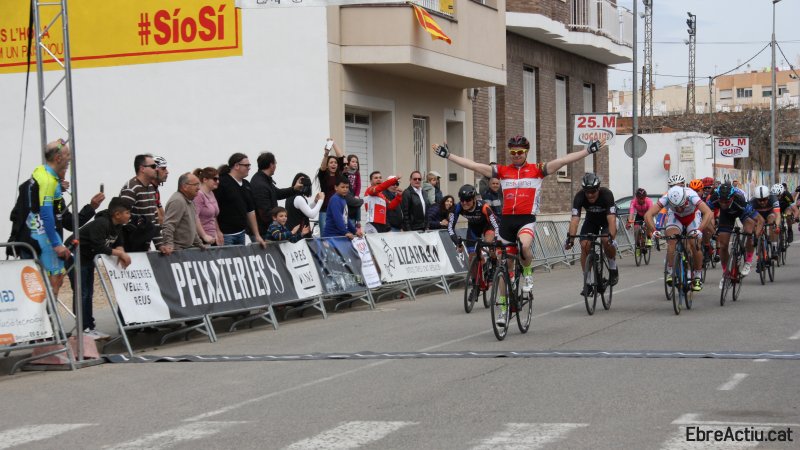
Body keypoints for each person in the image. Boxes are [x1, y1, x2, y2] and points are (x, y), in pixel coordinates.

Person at [433, 135, 603, 302]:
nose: (516, 155)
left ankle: (528, 274)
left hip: (526, 219)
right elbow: (474, 165)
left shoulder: (537, 169)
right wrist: (449, 155)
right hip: (507, 220)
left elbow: (563, 161)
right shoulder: (503, 171)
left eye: (520, 152)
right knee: (504, 264)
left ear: (526, 152)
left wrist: (588, 150)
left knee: (524, 246)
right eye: (513, 152)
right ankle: (504, 306)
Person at [72, 197, 131, 339]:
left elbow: (119, 242)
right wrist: (120, 254)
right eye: (128, 213)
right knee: (82, 293)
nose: (130, 216)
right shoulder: (101, 223)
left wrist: (121, 252)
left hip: (88, 259)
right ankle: (83, 328)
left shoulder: (117, 226)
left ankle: (89, 327)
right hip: (75, 256)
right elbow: (99, 246)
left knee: (88, 293)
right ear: (117, 214)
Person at [25, 139, 73, 295]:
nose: (70, 158)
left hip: (36, 230)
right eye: (67, 154)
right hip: (42, 234)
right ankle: (50, 311)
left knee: (54, 280)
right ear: (58, 158)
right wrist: (56, 244)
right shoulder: (48, 181)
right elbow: (46, 214)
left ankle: (48, 310)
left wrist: (58, 187)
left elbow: (54, 208)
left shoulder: (42, 171)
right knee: (55, 280)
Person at [646, 185, 713, 291]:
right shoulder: (666, 198)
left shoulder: (692, 196)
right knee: (671, 241)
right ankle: (670, 271)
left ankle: (697, 275)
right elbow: (648, 215)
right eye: (676, 206)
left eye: (681, 206)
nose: (679, 209)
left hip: (692, 216)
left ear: (685, 199)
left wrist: (700, 230)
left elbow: (708, 212)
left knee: (694, 244)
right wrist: (654, 231)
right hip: (675, 217)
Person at [566, 173, 619, 293]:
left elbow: (611, 219)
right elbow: (575, 219)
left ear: (598, 189)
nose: (590, 195)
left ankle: (613, 267)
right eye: (587, 192)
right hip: (591, 221)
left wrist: (612, 238)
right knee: (584, 244)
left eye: (593, 191)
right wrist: (570, 239)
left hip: (607, 220)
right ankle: (588, 282)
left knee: (606, 240)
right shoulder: (579, 196)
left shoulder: (607, 194)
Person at [704, 182, 761, 287]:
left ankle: (748, 261)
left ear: (732, 197)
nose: (723, 204)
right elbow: (704, 215)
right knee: (723, 246)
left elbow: (760, 220)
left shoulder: (740, 200)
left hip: (741, 212)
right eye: (721, 201)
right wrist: (714, 232)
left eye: (726, 201)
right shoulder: (714, 198)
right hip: (726, 215)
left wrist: (756, 236)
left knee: (749, 231)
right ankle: (726, 273)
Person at [251, 152, 304, 239]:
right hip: (264, 232)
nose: (276, 166)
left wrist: (294, 189)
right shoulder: (260, 184)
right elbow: (265, 213)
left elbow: (277, 193)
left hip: (268, 229)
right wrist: (279, 222)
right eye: (275, 163)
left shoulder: (264, 180)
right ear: (271, 165)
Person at [215, 153, 264, 246]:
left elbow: (250, 211)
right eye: (246, 165)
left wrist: (257, 235)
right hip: (225, 235)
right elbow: (213, 210)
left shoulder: (246, 184)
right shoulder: (222, 183)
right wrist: (217, 231)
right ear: (236, 166)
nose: (249, 168)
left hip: (241, 233)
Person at [447, 184, 500, 264]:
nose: (464, 203)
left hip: (488, 226)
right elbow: (450, 227)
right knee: (472, 256)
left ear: (474, 199)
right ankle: (479, 270)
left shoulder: (483, 206)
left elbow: (495, 225)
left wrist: (495, 240)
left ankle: (495, 264)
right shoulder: (458, 207)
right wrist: (457, 242)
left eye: (468, 200)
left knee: (489, 243)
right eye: (462, 200)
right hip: (473, 228)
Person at [119, 154, 161, 251]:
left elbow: (154, 218)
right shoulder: (131, 188)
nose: (156, 169)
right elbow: (121, 218)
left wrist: (159, 244)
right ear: (142, 169)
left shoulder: (151, 187)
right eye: (153, 166)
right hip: (129, 246)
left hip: (143, 245)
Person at [160, 173, 206, 255]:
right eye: (195, 185)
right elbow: (169, 225)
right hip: (176, 252)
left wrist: (199, 244)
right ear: (185, 187)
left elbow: (191, 227)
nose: (198, 188)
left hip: (184, 251)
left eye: (198, 184)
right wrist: (169, 245)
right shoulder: (178, 201)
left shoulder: (190, 201)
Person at [316, 138, 345, 232]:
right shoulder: (323, 176)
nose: (334, 164)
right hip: (325, 210)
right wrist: (326, 154)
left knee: (338, 235)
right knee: (325, 236)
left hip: (338, 210)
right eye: (331, 162)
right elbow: (322, 167)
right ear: (328, 165)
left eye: (335, 163)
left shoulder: (339, 175)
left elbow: (341, 158)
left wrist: (333, 143)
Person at [322, 176, 363, 240]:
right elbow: (338, 218)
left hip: (340, 235)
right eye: (342, 187)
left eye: (347, 187)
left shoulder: (343, 199)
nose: (345, 189)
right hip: (332, 236)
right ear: (336, 187)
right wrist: (345, 232)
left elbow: (346, 219)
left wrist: (355, 231)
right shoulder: (335, 199)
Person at [285, 172, 324, 238]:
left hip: (293, 233)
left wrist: (315, 202)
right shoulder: (298, 198)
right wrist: (321, 200)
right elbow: (312, 215)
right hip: (299, 235)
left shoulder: (290, 196)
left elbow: (304, 211)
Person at [192, 167, 223, 246]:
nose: (218, 181)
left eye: (218, 179)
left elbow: (213, 216)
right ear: (205, 180)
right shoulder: (199, 195)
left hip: (212, 237)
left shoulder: (211, 193)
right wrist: (204, 236)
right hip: (202, 238)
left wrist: (217, 232)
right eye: (215, 179)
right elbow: (195, 217)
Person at [750, 185, 782, 258]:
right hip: (759, 216)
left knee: (772, 220)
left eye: (764, 199)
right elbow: (750, 218)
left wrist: (777, 226)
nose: (762, 202)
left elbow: (778, 214)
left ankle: (774, 247)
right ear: (756, 199)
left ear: (768, 197)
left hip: (770, 214)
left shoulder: (773, 198)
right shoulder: (752, 202)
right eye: (759, 200)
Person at [344, 155, 362, 224]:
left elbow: (358, 185)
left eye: (356, 162)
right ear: (348, 162)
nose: (355, 163)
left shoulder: (357, 173)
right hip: (347, 193)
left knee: (357, 202)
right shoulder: (345, 172)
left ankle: (358, 221)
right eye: (353, 161)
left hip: (354, 193)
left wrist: (357, 195)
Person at [152, 155, 170, 226]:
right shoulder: (149, 189)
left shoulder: (155, 189)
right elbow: (160, 219)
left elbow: (163, 217)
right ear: (155, 170)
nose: (167, 172)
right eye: (163, 169)